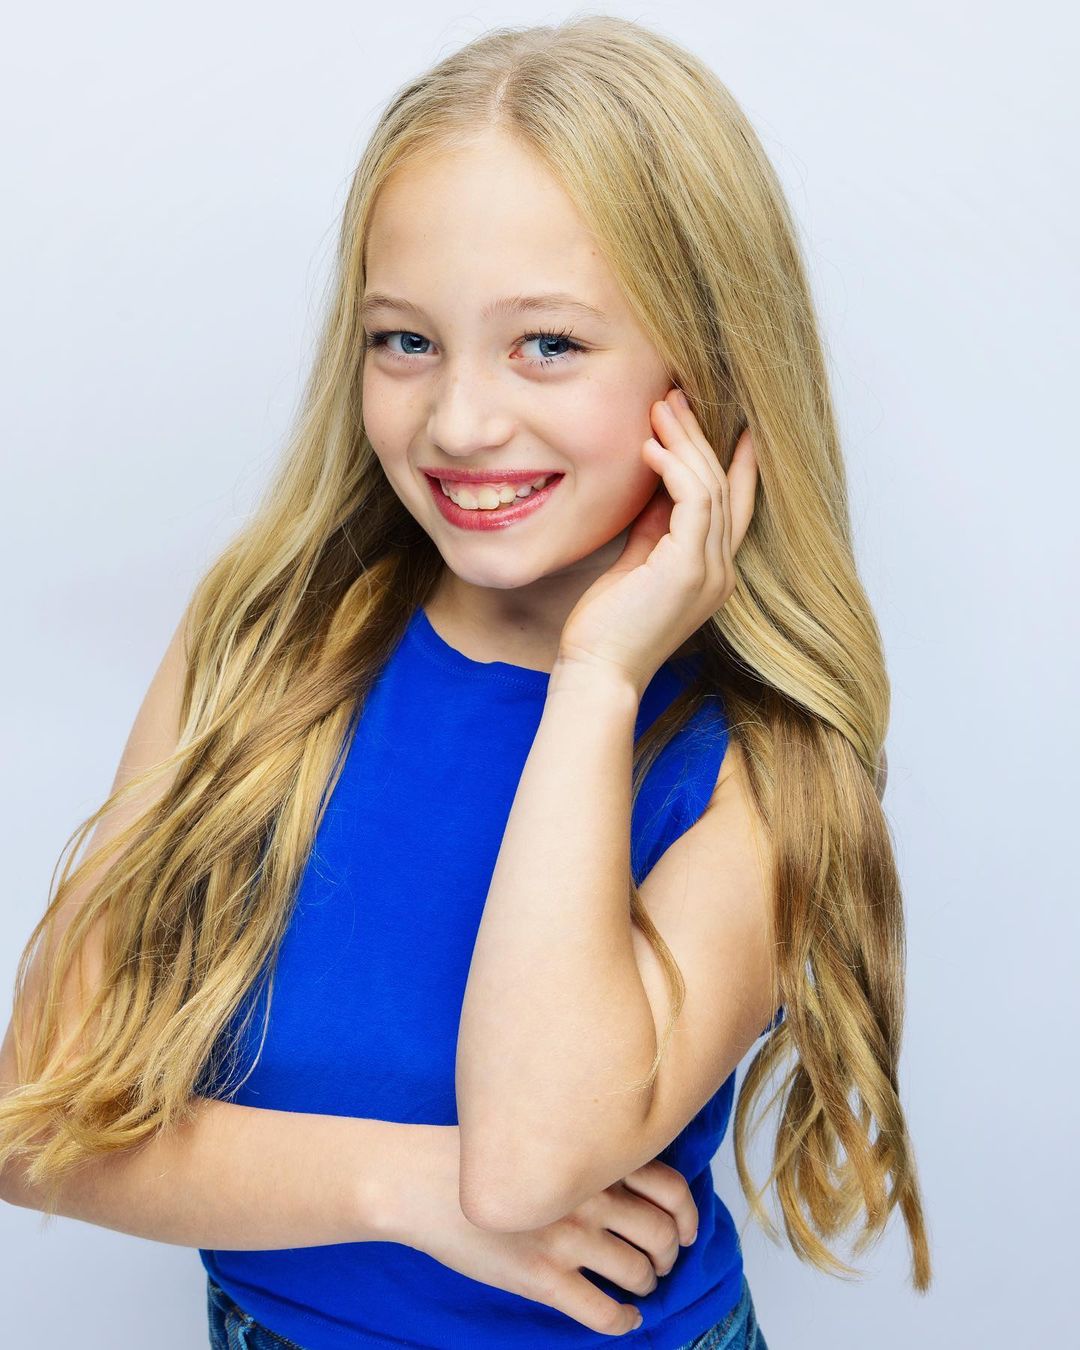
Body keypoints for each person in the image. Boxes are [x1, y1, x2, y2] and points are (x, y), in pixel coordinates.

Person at [0, 14, 932, 1348]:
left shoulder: (763, 767)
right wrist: (401, 1187)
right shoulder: (264, 639)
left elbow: (527, 1167)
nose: (459, 422)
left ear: (711, 372)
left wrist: (599, 678)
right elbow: (33, 1124)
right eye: (405, 341)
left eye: (546, 343)